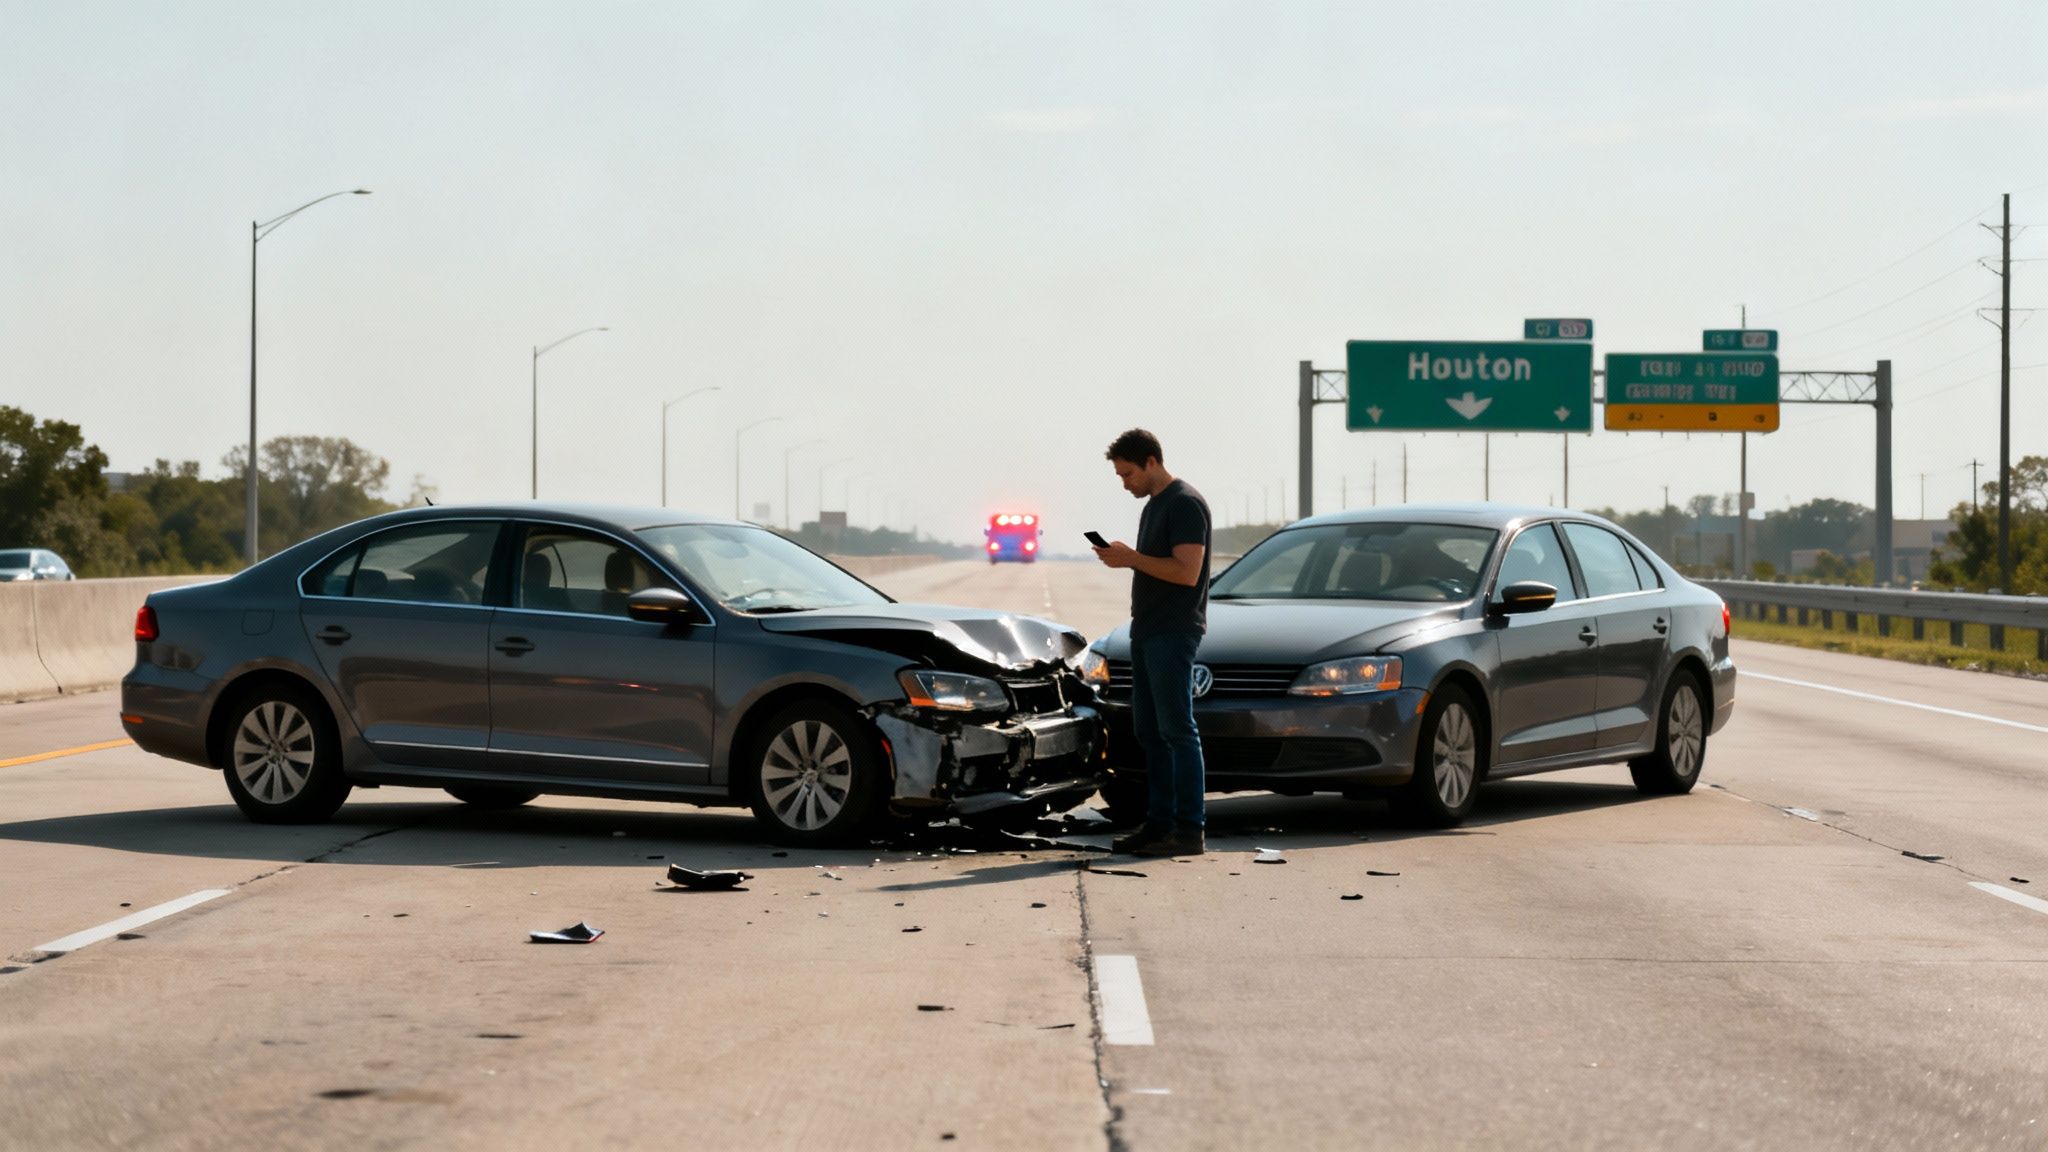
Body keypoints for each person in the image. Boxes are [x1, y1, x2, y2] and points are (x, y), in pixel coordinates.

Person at [1091, 428, 1212, 857]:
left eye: (1127, 474)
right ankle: (1158, 824)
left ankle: (1188, 828)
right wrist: (1126, 560)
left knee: (1178, 729)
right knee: (1150, 731)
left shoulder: (1184, 504)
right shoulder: (1155, 506)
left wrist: (1131, 559)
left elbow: (1186, 572)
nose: (1125, 484)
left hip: (1174, 630)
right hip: (1146, 630)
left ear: (1150, 462)